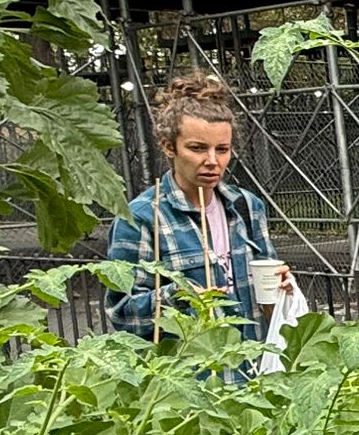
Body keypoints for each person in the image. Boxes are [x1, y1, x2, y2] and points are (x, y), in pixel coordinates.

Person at [105, 71, 292, 344]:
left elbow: (268, 303)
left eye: (222, 149)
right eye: (198, 148)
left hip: (255, 363)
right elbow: (122, 314)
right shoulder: (142, 217)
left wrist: (281, 290)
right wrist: (178, 297)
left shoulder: (247, 206)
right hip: (190, 366)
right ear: (169, 147)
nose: (212, 161)